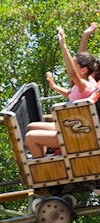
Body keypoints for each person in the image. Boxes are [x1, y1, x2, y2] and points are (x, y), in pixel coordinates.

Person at [25, 26, 100, 158]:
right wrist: (54, 86)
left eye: (73, 64)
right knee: (31, 127)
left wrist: (63, 46)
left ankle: (43, 169)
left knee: (30, 137)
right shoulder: (84, 83)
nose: (69, 67)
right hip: (70, 127)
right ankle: (42, 155)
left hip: (75, 133)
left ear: (82, 70)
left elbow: (73, 71)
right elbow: (70, 93)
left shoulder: (86, 85)